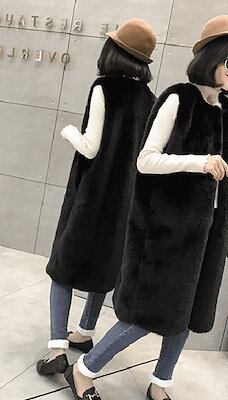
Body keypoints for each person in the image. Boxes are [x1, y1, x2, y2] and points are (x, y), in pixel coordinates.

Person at [63, 15, 228, 400]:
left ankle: (160, 384)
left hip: (208, 236)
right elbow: (145, 160)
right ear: (212, 55)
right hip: (166, 233)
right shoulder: (177, 98)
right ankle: (83, 370)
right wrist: (198, 162)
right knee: (146, 315)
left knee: (187, 316)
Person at [36, 18, 157, 383]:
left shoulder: (103, 87)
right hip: (126, 202)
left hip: (92, 196)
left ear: (114, 52)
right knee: (105, 266)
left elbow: (90, 146)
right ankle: (85, 332)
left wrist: (69, 131)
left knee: (63, 267)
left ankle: (57, 348)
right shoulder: (150, 100)